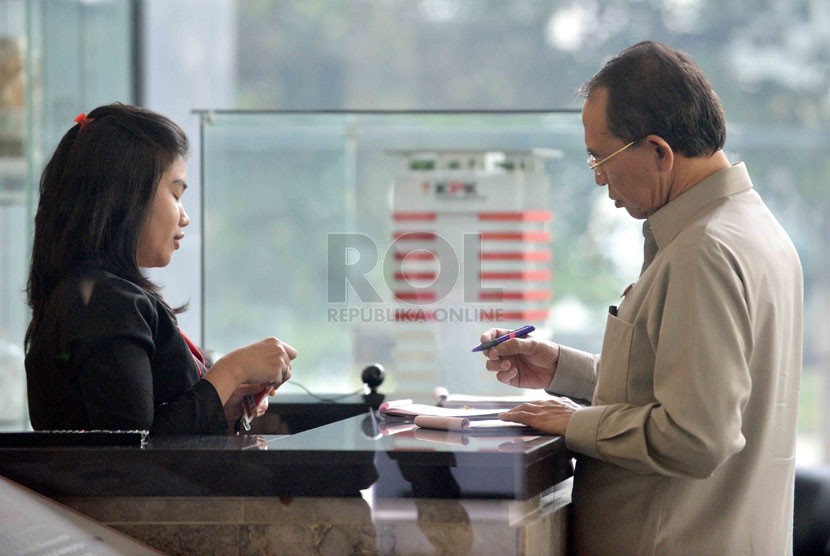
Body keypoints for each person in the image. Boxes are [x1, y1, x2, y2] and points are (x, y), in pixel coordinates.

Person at [480, 41, 802, 555]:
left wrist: (575, 422)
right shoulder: (754, 230)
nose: (599, 176)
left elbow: (697, 436)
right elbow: (683, 384)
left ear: (658, 151)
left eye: (599, 156)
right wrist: (563, 369)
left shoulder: (704, 251)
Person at [24, 103, 297, 436]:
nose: (185, 216)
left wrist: (223, 401)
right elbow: (136, 452)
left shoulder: (95, 294)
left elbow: (154, 426)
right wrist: (233, 370)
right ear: (125, 194)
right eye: (175, 194)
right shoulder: (104, 302)